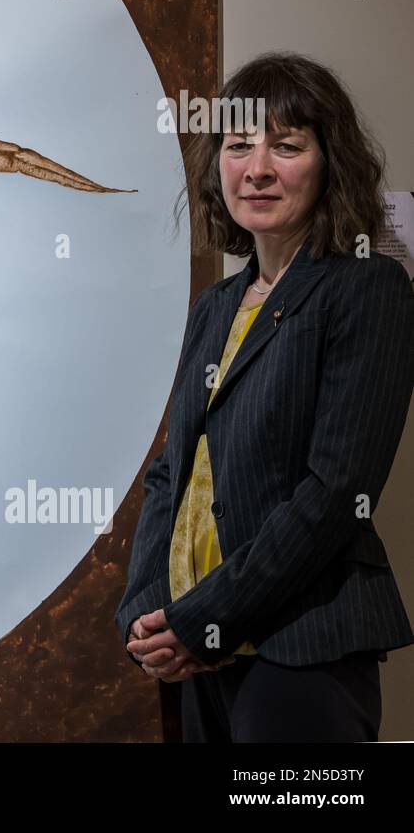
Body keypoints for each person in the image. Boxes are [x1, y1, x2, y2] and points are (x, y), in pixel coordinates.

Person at [115, 51, 414, 742]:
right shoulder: (217, 306)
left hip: (300, 651)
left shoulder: (368, 291)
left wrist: (202, 621)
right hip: (200, 660)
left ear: (328, 161)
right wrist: (148, 610)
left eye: (286, 146)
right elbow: (174, 473)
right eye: (239, 145)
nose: (256, 169)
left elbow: (337, 492)